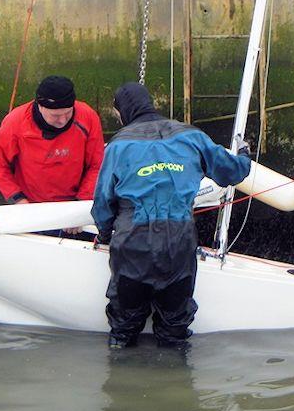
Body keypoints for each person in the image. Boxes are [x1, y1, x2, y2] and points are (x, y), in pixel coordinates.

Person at [91, 82, 251, 348]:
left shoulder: (118, 146)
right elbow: (232, 173)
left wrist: (105, 234)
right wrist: (244, 155)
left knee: (124, 324)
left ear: (122, 112)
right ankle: (176, 376)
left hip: (133, 242)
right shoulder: (192, 136)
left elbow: (103, 202)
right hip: (178, 240)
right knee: (175, 326)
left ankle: (119, 369)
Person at [0, 76, 104, 233]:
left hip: (74, 205)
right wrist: (18, 200)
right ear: (40, 106)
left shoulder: (88, 117)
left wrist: (79, 207)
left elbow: (97, 165)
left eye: (68, 113)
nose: (62, 120)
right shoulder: (16, 122)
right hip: (32, 209)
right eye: (55, 116)